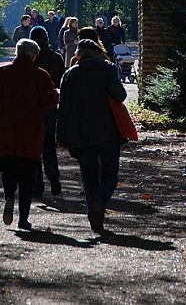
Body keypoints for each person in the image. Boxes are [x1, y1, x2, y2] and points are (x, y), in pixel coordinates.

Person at [0, 38, 59, 230]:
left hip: (5, 129)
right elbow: (51, 100)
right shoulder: (40, 75)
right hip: (30, 130)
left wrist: (1, 112)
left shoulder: (2, 72)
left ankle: (9, 196)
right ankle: (23, 218)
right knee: (27, 176)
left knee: (7, 168)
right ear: (34, 55)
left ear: (17, 53)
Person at [57, 38, 126, 234]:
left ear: (78, 55)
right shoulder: (108, 68)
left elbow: (64, 109)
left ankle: (94, 219)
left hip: (80, 133)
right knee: (110, 176)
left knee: (89, 178)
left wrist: (61, 137)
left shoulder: (70, 74)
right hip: (107, 131)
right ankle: (100, 203)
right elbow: (120, 95)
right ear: (97, 52)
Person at [30, 26, 65, 198]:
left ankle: (37, 185)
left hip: (32, 108)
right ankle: (54, 179)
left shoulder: (31, 59)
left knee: (34, 146)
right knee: (49, 145)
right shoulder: (56, 57)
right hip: (50, 107)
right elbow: (61, 82)